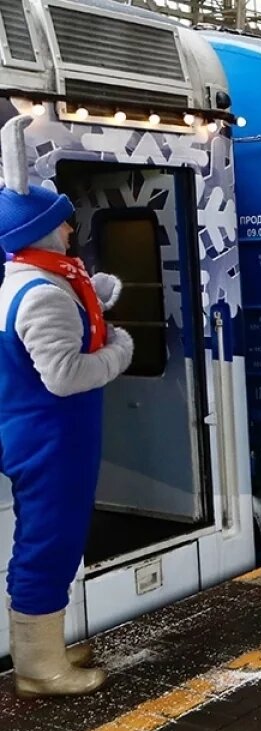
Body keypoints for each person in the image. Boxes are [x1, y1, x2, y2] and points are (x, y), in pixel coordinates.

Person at [0, 115, 133, 696]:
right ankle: (38, 668)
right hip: (50, 436)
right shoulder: (41, 295)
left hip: (41, 431)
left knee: (52, 538)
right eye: (62, 221)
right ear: (40, 231)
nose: (71, 229)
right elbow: (64, 375)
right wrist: (120, 352)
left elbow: (66, 312)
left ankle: (45, 646)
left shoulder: (34, 281)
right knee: (50, 542)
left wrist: (95, 299)